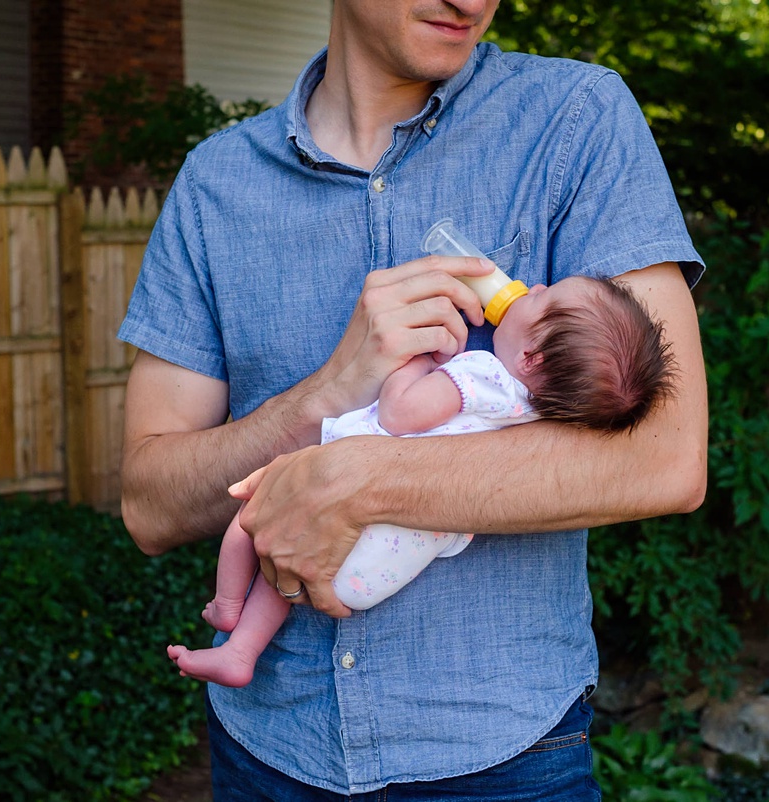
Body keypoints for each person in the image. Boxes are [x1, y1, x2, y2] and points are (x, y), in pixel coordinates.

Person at [117, 0, 708, 798]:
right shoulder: (214, 186)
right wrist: (326, 394)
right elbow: (149, 506)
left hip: (508, 762)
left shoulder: (576, 120)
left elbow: (665, 459)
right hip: (268, 755)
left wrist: (357, 482)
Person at [167, 275, 675, 687]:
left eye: (545, 298)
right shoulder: (535, 419)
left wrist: (416, 365)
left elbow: (400, 414)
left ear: (531, 359)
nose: (534, 287)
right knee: (290, 565)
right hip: (384, 568)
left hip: (365, 519)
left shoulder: (482, 374)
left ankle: (227, 607)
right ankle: (241, 653)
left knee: (254, 520)